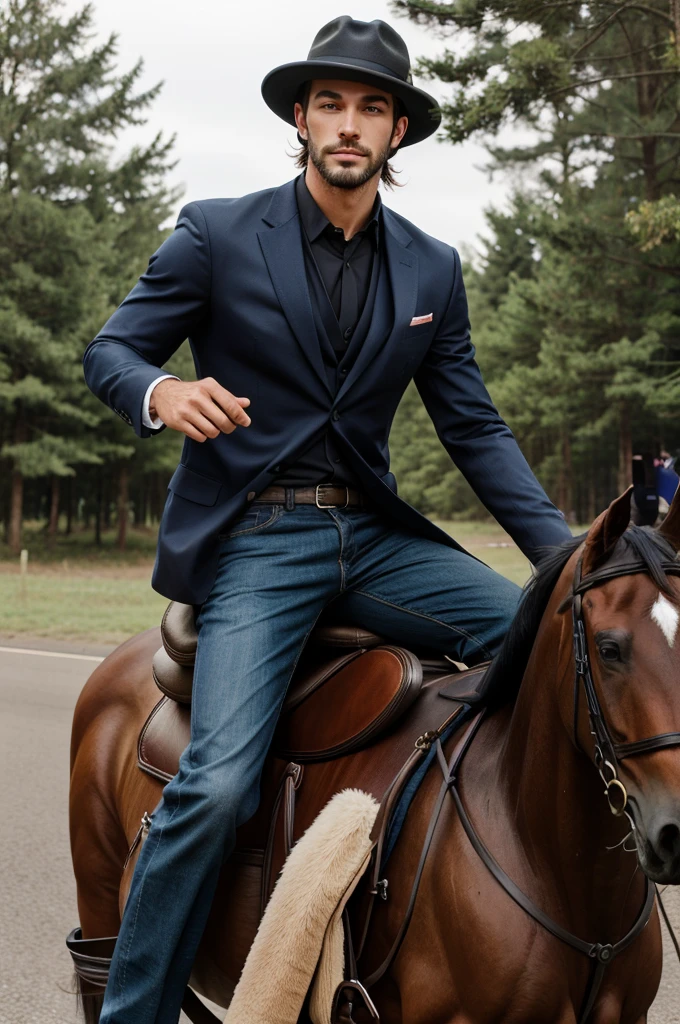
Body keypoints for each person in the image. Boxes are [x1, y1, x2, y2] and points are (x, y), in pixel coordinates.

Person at [83, 15, 573, 1023]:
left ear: (397, 133)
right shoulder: (217, 232)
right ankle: (137, 1010)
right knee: (217, 787)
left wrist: (569, 560)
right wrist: (161, 394)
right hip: (260, 537)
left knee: (555, 650)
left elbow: (472, 428)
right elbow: (110, 350)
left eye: (372, 107)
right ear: (301, 118)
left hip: (380, 542)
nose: (349, 124)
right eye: (332, 103)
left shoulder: (432, 268)